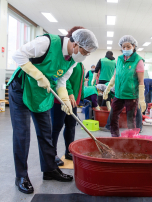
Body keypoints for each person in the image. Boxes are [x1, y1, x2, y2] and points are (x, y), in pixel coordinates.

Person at [8, 28, 98, 194]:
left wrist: (65, 100)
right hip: (21, 89)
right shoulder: (47, 43)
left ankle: (49, 170)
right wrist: (38, 75)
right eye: (84, 52)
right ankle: (21, 176)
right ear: (76, 43)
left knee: (46, 132)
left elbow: (61, 81)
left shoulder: (73, 60)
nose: (84, 56)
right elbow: (18, 55)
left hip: (41, 94)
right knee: (22, 133)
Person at [50, 26, 86, 166]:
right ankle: (51, 155)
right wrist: (70, 93)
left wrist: (79, 97)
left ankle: (69, 151)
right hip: (61, 99)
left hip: (73, 101)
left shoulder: (79, 61)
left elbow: (79, 82)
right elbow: (63, 79)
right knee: (57, 126)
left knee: (71, 126)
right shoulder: (66, 59)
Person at [103, 35, 146, 137]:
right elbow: (115, 75)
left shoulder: (138, 61)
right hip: (118, 94)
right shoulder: (119, 59)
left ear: (133, 46)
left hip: (131, 96)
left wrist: (142, 99)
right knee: (113, 117)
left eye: (128, 46)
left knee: (131, 120)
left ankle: (132, 141)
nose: (126, 49)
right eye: (123, 47)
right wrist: (108, 88)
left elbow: (141, 81)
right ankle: (115, 137)